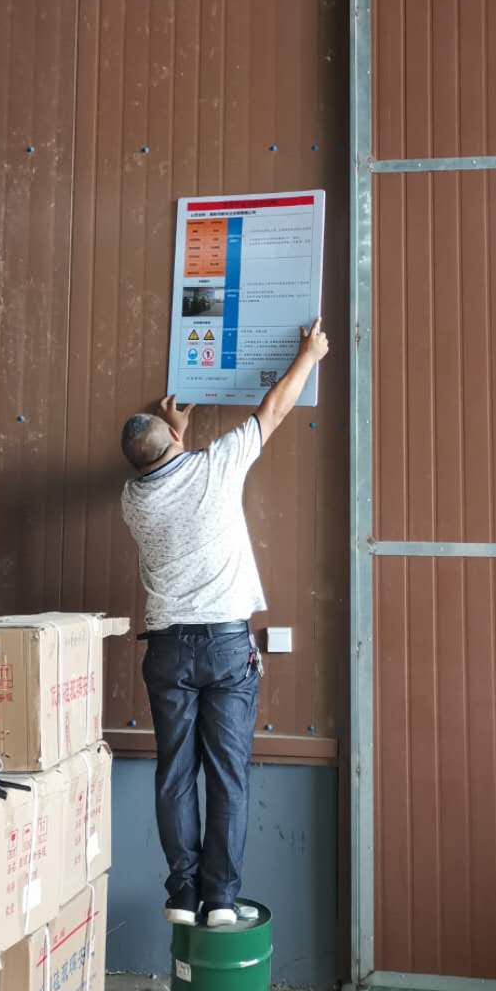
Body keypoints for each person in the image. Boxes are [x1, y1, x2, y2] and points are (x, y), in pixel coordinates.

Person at [119, 317, 330, 928]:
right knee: (228, 776)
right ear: (173, 438)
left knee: (175, 774)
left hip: (167, 652)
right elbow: (275, 409)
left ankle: (182, 895)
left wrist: (172, 435)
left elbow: (159, 463)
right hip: (225, 649)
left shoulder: (133, 501)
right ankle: (219, 900)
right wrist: (310, 354)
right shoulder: (215, 467)